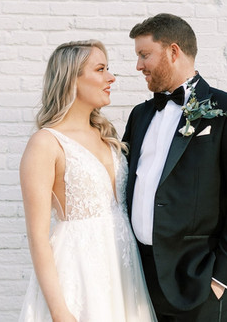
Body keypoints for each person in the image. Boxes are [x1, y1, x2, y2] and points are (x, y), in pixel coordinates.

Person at [122, 13, 227, 322]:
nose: (138, 66)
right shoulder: (139, 115)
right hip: (138, 279)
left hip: (198, 280)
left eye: (144, 54)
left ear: (173, 52)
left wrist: (221, 279)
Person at [18, 40, 157, 322]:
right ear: (72, 79)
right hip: (79, 274)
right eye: (100, 69)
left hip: (123, 271)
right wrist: (59, 311)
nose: (111, 77)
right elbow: (37, 238)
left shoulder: (106, 136)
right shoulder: (45, 144)